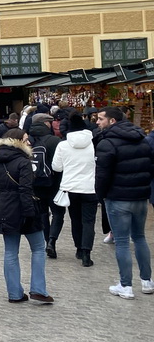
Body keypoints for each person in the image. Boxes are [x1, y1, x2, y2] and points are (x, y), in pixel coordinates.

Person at [0, 129, 53, 305]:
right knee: (38, 247)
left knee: (10, 251)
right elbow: (25, 190)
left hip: (5, 209)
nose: (29, 142)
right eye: (25, 140)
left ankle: (14, 292)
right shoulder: (23, 162)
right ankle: (38, 289)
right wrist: (29, 212)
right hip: (24, 208)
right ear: (17, 142)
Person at [94, 107, 153, 299]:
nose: (97, 122)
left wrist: (100, 195)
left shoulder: (107, 143)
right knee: (139, 237)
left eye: (100, 119)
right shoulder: (142, 140)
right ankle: (147, 281)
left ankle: (126, 285)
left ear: (112, 121)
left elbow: (102, 175)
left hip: (118, 198)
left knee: (121, 242)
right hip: (140, 198)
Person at [52, 113, 97, 267]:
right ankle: (86, 254)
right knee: (89, 221)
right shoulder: (93, 144)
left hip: (70, 187)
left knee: (76, 220)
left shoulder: (63, 145)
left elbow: (56, 167)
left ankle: (78, 248)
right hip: (90, 187)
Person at [27, 113, 63, 257]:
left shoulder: (28, 139)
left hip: (35, 182)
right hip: (53, 182)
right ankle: (52, 242)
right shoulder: (54, 140)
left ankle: (45, 240)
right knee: (58, 213)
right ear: (45, 124)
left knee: (42, 214)